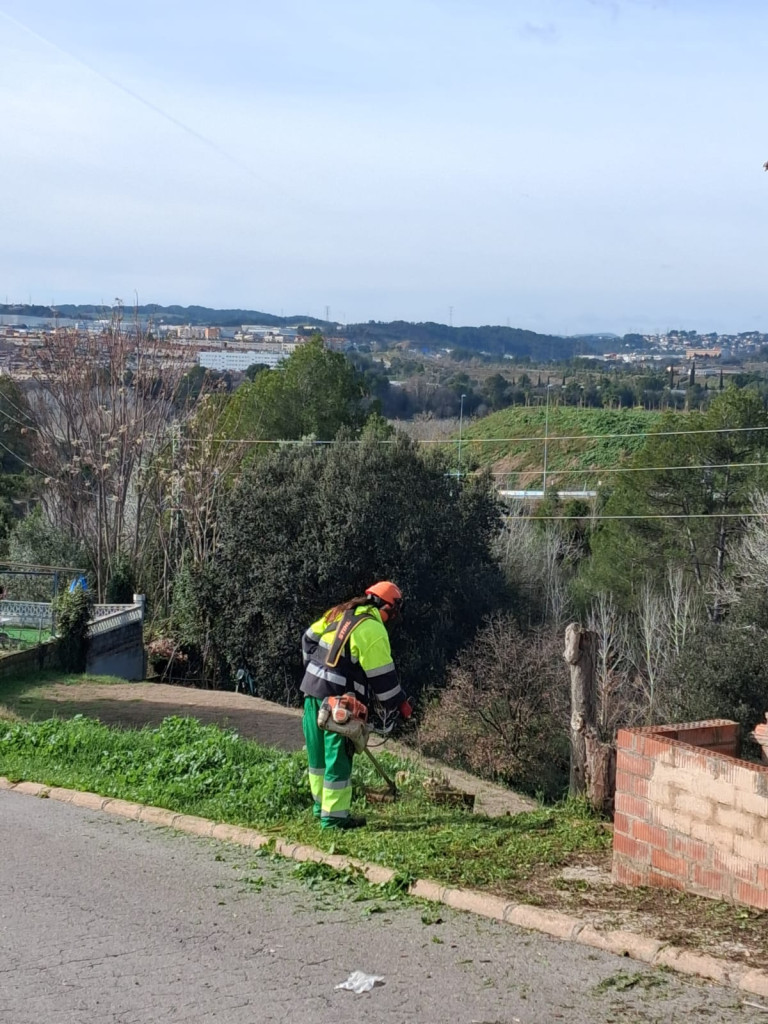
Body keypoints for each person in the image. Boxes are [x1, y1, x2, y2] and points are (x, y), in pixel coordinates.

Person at [300, 580, 412, 829]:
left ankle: (321, 808)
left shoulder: (338, 612)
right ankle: (334, 819)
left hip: (311, 693)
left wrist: (316, 674)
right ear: (387, 609)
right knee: (337, 757)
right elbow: (383, 677)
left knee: (317, 758)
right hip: (340, 703)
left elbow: (307, 640)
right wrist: (398, 704)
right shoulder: (371, 628)